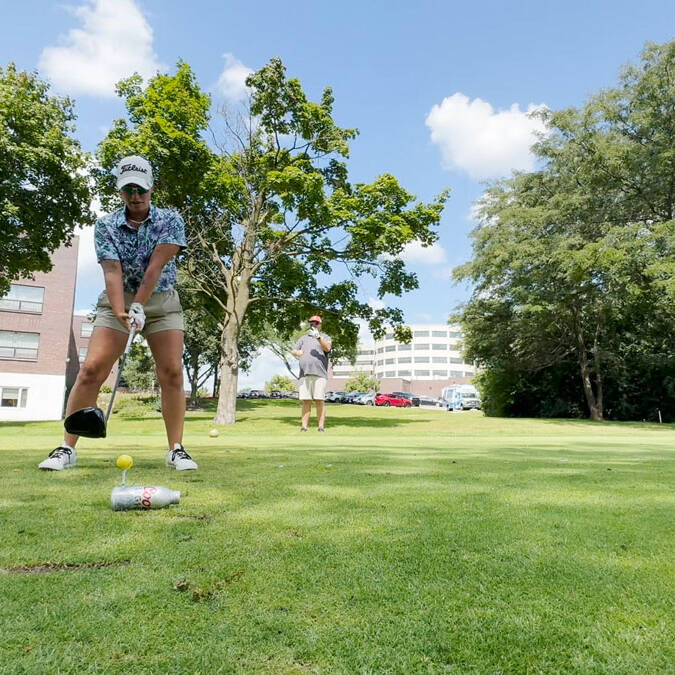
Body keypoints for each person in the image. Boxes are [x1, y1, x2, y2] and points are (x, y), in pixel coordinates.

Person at [39, 155, 198, 471]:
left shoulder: (171, 221)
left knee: (172, 372)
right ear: (120, 190)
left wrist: (139, 305)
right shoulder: (107, 225)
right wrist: (121, 311)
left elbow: (155, 268)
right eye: (129, 190)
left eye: (141, 189)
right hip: (117, 301)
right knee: (91, 370)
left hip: (162, 301)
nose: (136, 196)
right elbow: (112, 271)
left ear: (151, 187)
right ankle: (66, 448)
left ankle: (176, 450)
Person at [291, 315, 332, 432]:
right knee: (306, 401)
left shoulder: (325, 337)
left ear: (320, 324)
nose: (313, 325)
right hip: (305, 374)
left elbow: (327, 348)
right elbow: (294, 350)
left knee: (319, 400)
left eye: (315, 323)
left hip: (320, 374)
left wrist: (318, 337)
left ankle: (320, 427)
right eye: (311, 323)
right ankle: (304, 427)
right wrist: (297, 352)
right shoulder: (303, 338)